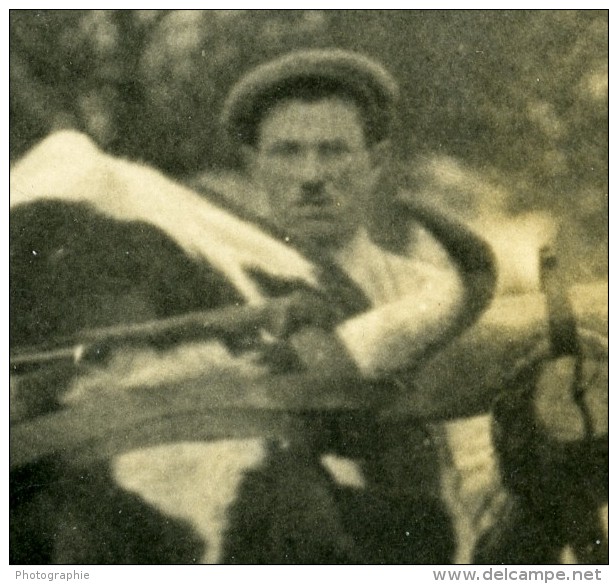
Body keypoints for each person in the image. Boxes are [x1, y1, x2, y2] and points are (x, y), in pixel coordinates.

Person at [9, 49, 496, 564]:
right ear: (253, 164)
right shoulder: (189, 292)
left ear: (375, 162)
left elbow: (479, 481)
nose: (311, 175)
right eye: (287, 152)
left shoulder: (425, 295)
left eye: (333, 152)